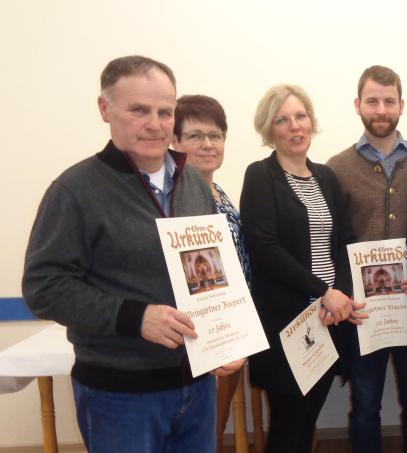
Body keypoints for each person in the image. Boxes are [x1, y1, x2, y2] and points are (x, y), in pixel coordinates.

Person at [21, 55, 242, 453]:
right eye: (139, 110)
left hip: (197, 387)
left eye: (165, 111)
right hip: (120, 396)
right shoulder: (75, 190)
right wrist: (134, 317)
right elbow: (44, 288)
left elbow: (210, 274)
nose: (155, 124)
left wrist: (225, 338)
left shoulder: (193, 184)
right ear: (105, 109)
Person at [241, 84, 366, 453]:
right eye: (282, 119)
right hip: (287, 323)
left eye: (300, 115)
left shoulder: (326, 176)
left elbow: (343, 241)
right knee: (287, 421)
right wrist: (323, 291)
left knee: (308, 417)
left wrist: (337, 297)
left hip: (328, 319)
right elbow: (264, 248)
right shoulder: (260, 176)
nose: (295, 126)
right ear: (270, 129)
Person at [327, 65, 407, 453]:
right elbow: (333, 238)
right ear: (358, 105)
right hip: (363, 310)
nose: (381, 109)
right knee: (365, 404)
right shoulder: (335, 168)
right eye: (373, 101)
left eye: (389, 101)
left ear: (401, 105)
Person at [172, 94, 251, 451]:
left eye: (216, 135)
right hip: (197, 338)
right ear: (175, 142)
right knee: (195, 436)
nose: (208, 144)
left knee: (213, 432)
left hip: (232, 331)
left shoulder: (218, 193)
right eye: (196, 136)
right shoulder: (171, 198)